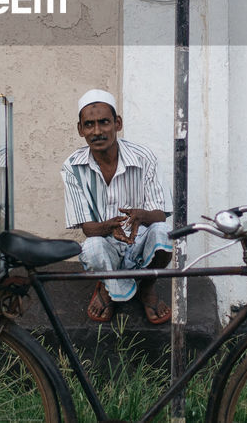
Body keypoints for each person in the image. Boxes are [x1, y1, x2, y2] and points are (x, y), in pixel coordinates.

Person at [61, 88, 173, 324]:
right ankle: (107, 287)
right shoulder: (72, 167)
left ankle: (147, 287)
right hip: (105, 243)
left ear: (117, 123)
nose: (97, 131)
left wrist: (141, 216)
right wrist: (108, 227)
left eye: (104, 122)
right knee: (91, 247)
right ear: (80, 129)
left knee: (163, 233)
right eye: (89, 124)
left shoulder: (144, 158)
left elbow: (160, 214)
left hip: (139, 241)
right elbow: (89, 230)